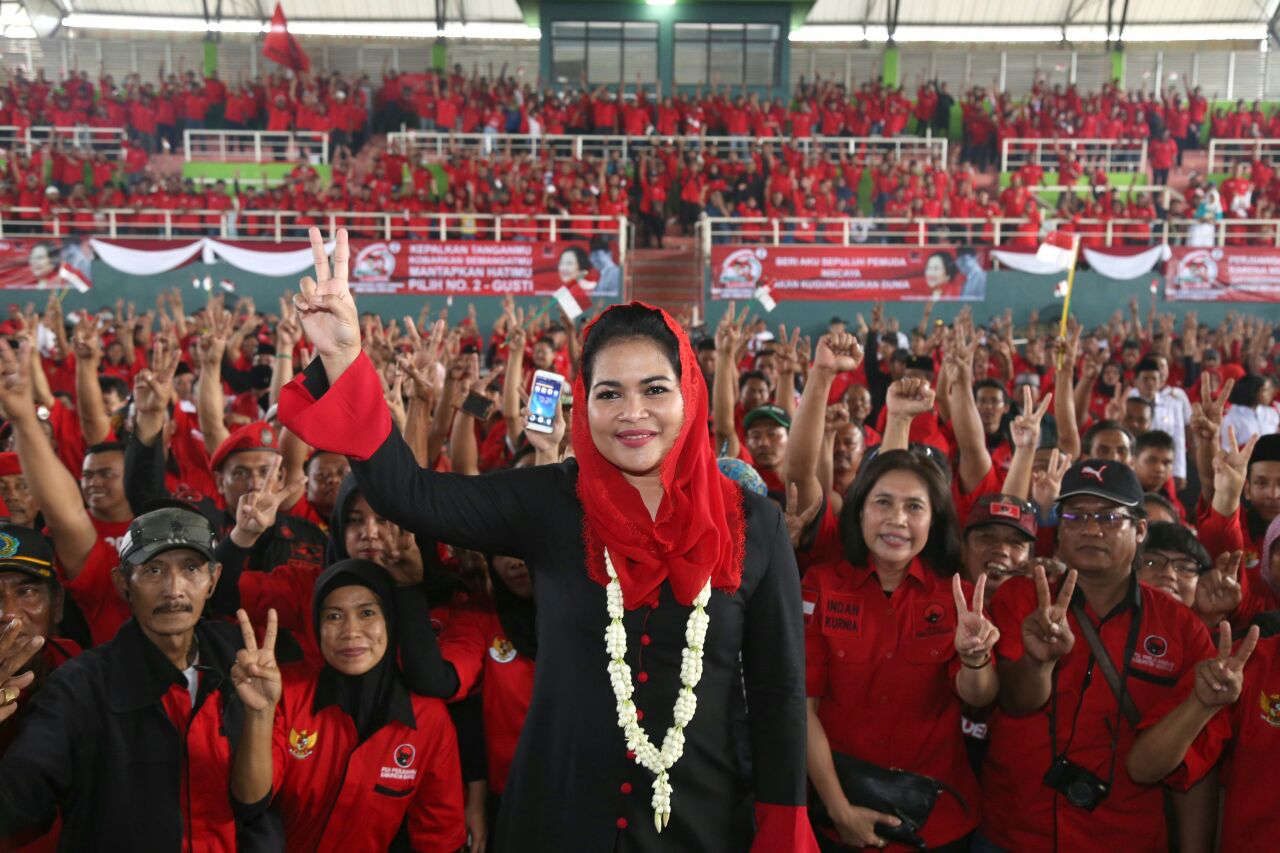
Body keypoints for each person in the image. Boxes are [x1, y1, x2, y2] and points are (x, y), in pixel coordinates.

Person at [279, 227, 816, 850]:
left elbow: (779, 694)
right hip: (556, 819)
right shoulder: (551, 500)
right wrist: (345, 358)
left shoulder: (755, 523)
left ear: (689, 395)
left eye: (655, 390)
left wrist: (783, 829)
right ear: (583, 405)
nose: (632, 413)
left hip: (703, 824)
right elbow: (411, 495)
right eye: (609, 393)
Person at [0, 507, 280, 850]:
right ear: (123, 584)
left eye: (191, 569)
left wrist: (261, 715)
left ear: (214, 580)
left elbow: (252, 806)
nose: (173, 589)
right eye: (153, 570)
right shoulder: (79, 687)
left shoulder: (244, 664)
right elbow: (19, 801)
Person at [978, 460, 1222, 852]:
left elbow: (1194, 771)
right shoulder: (1019, 599)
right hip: (1014, 831)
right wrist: (1038, 663)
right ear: (1059, 529)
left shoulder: (1183, 629)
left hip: (1125, 838)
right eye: (1075, 516)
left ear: (1140, 529)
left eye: (1109, 517)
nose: (1091, 529)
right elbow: (1012, 702)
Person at [804, 449, 996, 850]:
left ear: (934, 519)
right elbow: (802, 711)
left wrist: (974, 655)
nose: (898, 520)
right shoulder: (820, 586)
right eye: (883, 502)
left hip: (939, 821)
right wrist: (840, 812)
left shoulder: (958, 595)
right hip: (840, 815)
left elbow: (979, 696)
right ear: (859, 512)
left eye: (914, 507)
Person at [228, 559, 466, 853]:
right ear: (317, 626)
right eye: (334, 617)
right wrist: (260, 715)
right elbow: (250, 800)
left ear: (391, 621)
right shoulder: (286, 692)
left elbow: (440, 837)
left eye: (367, 613)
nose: (351, 631)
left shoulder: (428, 719)